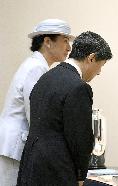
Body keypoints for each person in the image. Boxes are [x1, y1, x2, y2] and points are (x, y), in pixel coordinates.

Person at [17, 31, 113, 186]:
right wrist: (81, 176)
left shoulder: (46, 78)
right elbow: (80, 138)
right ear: (91, 58)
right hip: (57, 171)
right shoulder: (79, 87)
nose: (99, 72)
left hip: (30, 166)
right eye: (100, 65)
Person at [0, 19, 73, 186]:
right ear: (47, 41)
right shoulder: (36, 68)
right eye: (65, 41)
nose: (69, 47)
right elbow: (36, 114)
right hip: (14, 146)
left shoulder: (37, 65)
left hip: (14, 144)